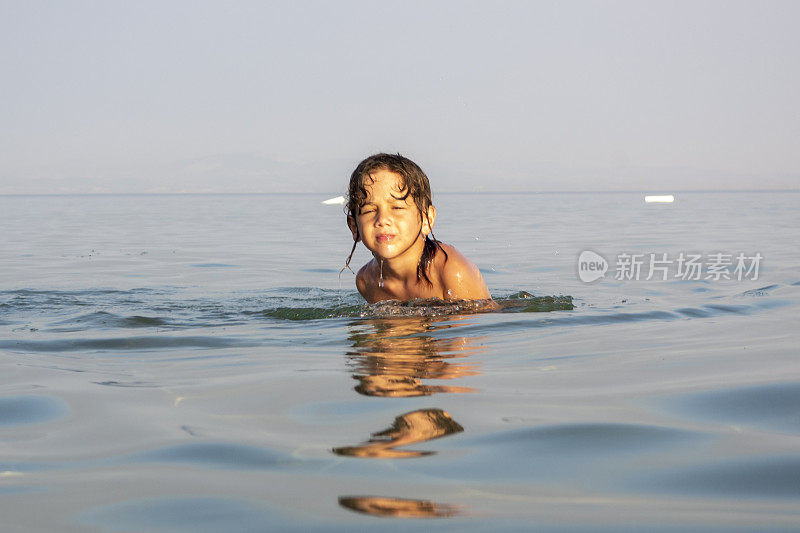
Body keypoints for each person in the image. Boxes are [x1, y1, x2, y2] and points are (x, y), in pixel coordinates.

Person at [344, 153, 493, 304]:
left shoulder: (451, 271)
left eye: (396, 207)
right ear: (354, 226)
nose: (382, 220)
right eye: (369, 211)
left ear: (427, 219)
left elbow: (479, 323)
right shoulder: (366, 282)